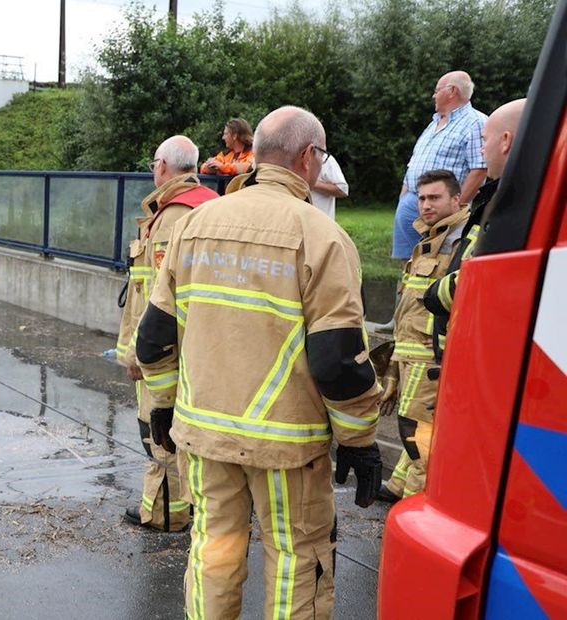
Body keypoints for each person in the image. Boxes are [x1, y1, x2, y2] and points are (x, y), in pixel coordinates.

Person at [136, 106, 382, 620]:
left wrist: (162, 406)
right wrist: (359, 440)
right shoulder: (322, 237)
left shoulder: (196, 225)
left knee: (214, 550)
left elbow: (155, 336)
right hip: (286, 444)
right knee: (299, 555)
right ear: (309, 158)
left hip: (204, 433)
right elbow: (339, 360)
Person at [116, 135, 219, 532]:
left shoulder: (171, 219)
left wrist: (135, 355)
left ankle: (165, 513)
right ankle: (195, 506)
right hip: (201, 346)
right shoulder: (212, 208)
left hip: (164, 349)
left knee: (157, 428)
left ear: (162, 166)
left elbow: (152, 299)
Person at [377, 170, 470, 502]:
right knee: (412, 426)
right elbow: (407, 306)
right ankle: (398, 486)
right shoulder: (429, 239)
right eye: (422, 198)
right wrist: (392, 363)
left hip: (430, 354)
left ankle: (414, 504)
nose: (426, 205)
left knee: (417, 431)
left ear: (456, 199)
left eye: (435, 197)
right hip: (410, 350)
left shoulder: (463, 241)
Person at [423, 98, 526, 363]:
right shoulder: (506, 196)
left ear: (505, 141)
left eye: (484, 140)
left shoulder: (516, 204)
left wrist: (438, 294)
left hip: (475, 355)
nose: (481, 151)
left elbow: (494, 274)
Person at [392, 71, 487, 260]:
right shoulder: (434, 123)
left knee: (438, 262)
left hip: (442, 207)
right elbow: (415, 161)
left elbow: (480, 169)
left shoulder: (475, 122)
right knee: (409, 265)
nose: (433, 95)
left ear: (452, 91)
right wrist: (404, 197)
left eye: (437, 90)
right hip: (413, 202)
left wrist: (457, 207)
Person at [310, 154, 348, 219]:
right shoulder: (289, 157)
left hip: (321, 223)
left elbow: (342, 190)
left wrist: (312, 182)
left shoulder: (325, 159)